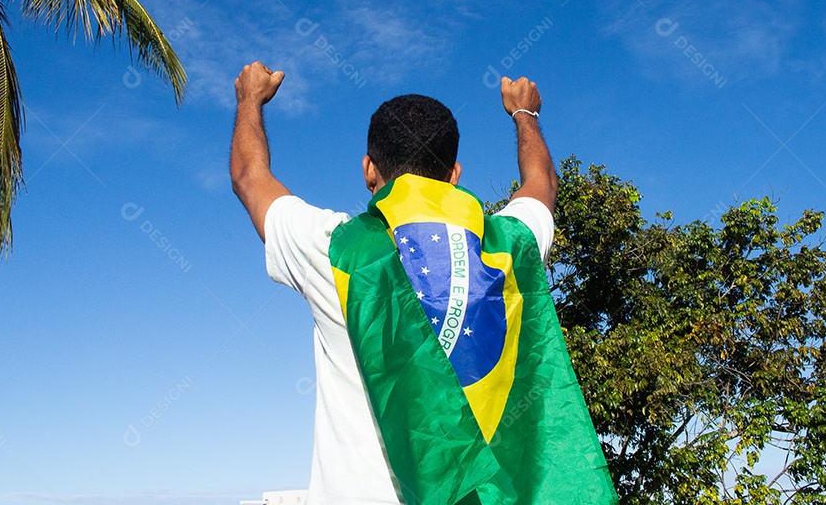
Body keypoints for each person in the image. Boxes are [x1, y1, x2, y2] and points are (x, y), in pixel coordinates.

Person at [230, 61, 614, 505]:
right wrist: (524, 115)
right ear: (455, 174)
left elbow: (249, 177)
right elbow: (541, 183)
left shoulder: (335, 249)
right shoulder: (511, 246)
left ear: (369, 170)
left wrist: (249, 100)